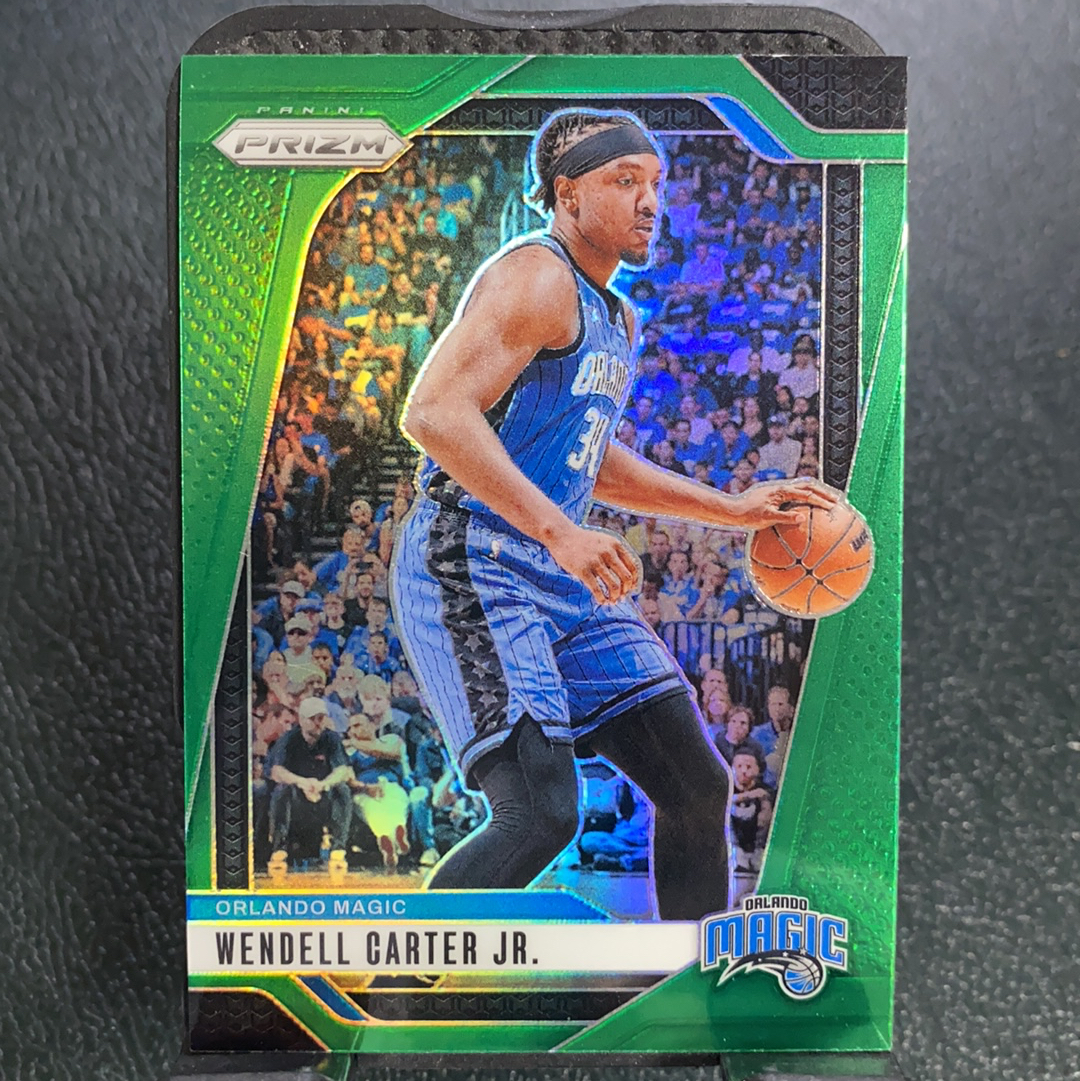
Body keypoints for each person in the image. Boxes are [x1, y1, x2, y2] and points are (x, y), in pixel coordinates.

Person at [390, 108, 836, 920]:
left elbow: (590, 456)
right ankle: (391, 981)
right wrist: (559, 530)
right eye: (624, 180)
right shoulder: (537, 277)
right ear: (568, 195)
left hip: (554, 573)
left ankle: (691, 979)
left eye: (655, 182)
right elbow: (434, 413)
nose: (649, 201)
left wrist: (730, 509)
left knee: (696, 784)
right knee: (541, 812)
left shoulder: (618, 317)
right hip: (471, 557)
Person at [265, 697, 353, 880]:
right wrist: (302, 782)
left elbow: (343, 770)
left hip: (323, 794)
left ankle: (338, 849)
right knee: (281, 791)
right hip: (297, 796)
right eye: (314, 718)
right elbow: (277, 771)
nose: (318, 723)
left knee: (342, 790)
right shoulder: (289, 739)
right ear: (302, 719)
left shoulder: (331, 738)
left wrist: (323, 784)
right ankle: (279, 849)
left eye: (321, 718)